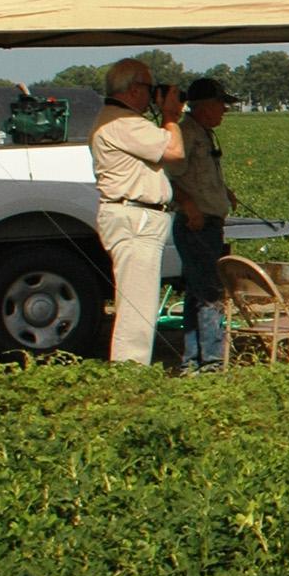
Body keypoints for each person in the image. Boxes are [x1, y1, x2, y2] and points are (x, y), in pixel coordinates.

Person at [90, 59, 185, 364]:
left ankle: (131, 369)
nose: (152, 94)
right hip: (135, 218)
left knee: (138, 299)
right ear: (133, 90)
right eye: (149, 87)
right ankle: (130, 371)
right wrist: (170, 115)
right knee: (138, 303)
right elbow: (174, 151)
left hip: (134, 216)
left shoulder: (118, 120)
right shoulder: (123, 123)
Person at [171, 77, 240, 373]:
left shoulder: (204, 133)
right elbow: (170, 175)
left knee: (197, 292)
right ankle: (211, 363)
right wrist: (188, 205)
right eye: (220, 104)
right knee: (210, 293)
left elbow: (199, 175)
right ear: (204, 105)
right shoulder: (185, 133)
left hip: (210, 223)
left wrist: (223, 192)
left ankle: (192, 361)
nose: (224, 110)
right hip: (196, 225)